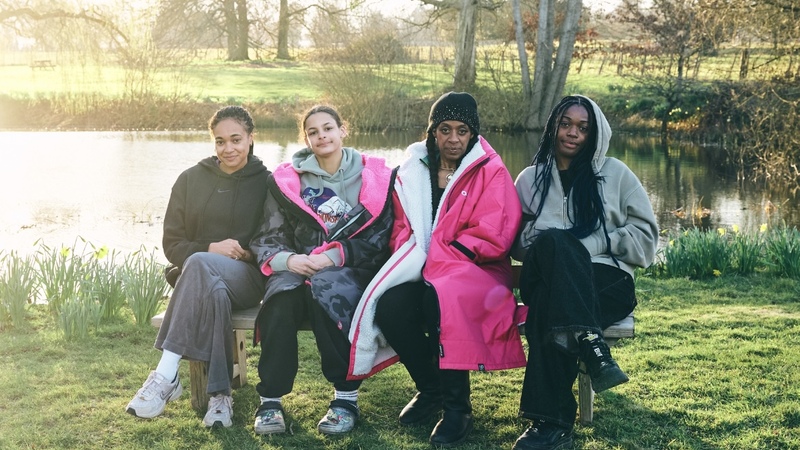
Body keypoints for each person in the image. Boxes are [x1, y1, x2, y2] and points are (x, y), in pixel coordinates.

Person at [348, 92, 527, 447]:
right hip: (425, 270)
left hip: (476, 272)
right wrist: (409, 257)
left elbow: (496, 230)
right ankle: (431, 389)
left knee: (443, 299)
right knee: (391, 306)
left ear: (473, 133)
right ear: (432, 132)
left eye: (462, 130)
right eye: (445, 129)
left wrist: (450, 257)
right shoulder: (413, 171)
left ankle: (457, 409)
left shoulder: (490, 170)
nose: (454, 139)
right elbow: (401, 227)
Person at [510, 95, 658, 450]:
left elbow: (647, 240)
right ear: (553, 127)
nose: (573, 133)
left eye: (583, 127)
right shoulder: (531, 179)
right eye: (566, 124)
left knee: (550, 308)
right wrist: (549, 243)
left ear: (595, 133)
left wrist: (589, 245)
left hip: (606, 281)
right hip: (543, 274)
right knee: (552, 245)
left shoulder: (617, 174)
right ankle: (593, 347)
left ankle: (550, 425)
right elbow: (513, 244)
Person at [248, 105, 395, 436]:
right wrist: (290, 261)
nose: (321, 136)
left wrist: (335, 257)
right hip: (297, 266)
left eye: (328, 128)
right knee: (280, 300)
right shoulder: (286, 182)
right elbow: (268, 237)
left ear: (343, 130)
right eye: (313, 132)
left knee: (326, 291)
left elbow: (381, 241)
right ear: (306, 138)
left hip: (350, 269)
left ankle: (345, 400)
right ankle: (270, 401)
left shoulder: (375, 178)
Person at [126, 105, 270, 428]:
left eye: (235, 139)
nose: (228, 148)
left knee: (202, 265)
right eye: (220, 141)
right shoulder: (190, 180)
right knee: (211, 285)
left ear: (250, 138)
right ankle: (220, 398)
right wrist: (210, 249)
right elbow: (172, 245)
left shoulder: (267, 183)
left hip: (246, 278)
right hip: (201, 279)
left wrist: (246, 254)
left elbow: (273, 240)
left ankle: (165, 375)